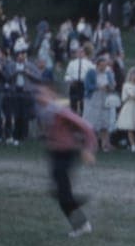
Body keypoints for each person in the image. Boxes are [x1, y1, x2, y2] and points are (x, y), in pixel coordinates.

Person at [34, 82, 97, 237]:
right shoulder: (47, 111)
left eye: (43, 93)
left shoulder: (60, 111)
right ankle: (76, 204)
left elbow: (86, 128)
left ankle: (82, 225)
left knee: (63, 194)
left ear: (52, 95)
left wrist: (88, 149)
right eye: (38, 93)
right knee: (58, 191)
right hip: (55, 153)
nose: (39, 96)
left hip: (67, 153)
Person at [82, 55, 118, 152]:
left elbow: (112, 85)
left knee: (104, 124)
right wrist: (98, 87)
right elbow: (87, 86)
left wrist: (110, 87)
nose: (103, 67)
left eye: (105, 65)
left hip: (105, 100)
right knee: (91, 123)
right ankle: (91, 144)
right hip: (93, 99)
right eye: (101, 65)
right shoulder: (91, 72)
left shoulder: (108, 73)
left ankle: (105, 145)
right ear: (97, 65)